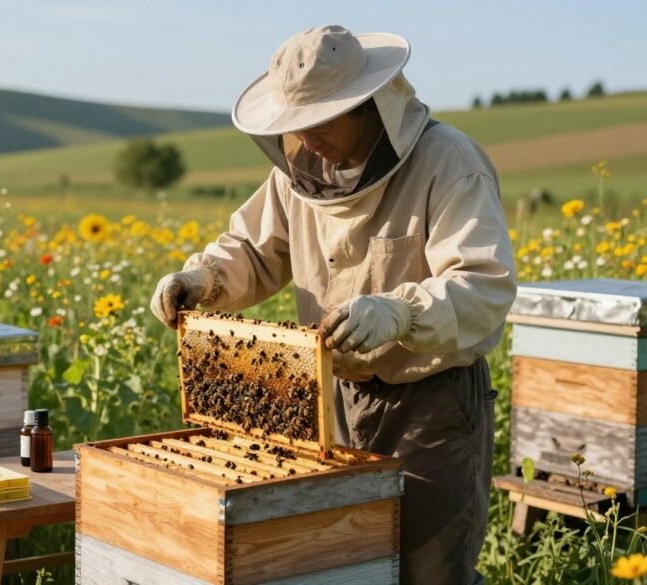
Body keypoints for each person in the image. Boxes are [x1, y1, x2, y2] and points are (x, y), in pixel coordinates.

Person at [150, 25, 516, 585]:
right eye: (294, 124)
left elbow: (483, 284)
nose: (306, 138)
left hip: (431, 403)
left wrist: (400, 312)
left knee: (429, 571)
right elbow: (253, 247)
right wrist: (204, 278)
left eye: (320, 120)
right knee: (343, 568)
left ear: (368, 105)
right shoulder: (297, 174)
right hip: (330, 397)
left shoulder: (448, 162)